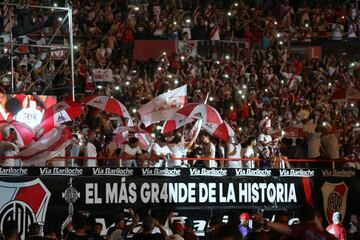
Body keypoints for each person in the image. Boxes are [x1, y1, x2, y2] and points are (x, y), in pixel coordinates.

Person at [259, 207, 337, 240]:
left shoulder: (301, 229)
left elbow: (287, 230)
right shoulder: (328, 236)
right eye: (282, 222)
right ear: (318, 219)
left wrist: (266, 222)